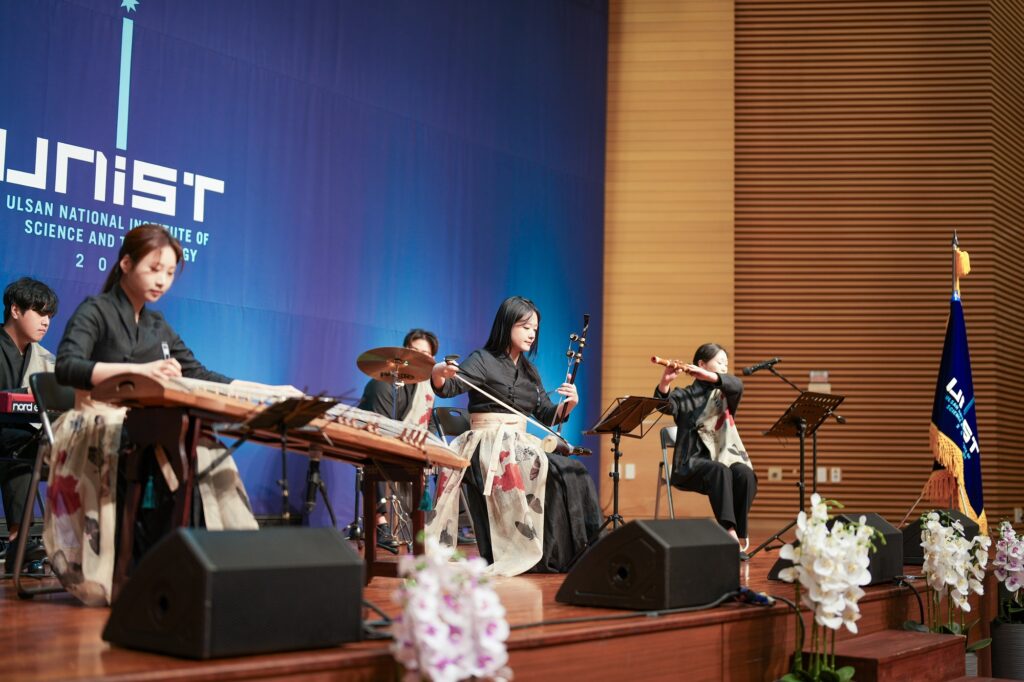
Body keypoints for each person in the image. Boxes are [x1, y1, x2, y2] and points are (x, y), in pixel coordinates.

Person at [45, 224, 270, 605]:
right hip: (96, 420)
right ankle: (131, 566)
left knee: (203, 442)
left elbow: (199, 374)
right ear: (126, 264)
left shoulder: (156, 324)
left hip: (141, 424)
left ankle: (212, 563)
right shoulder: (96, 310)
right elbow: (67, 367)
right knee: (139, 433)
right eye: (154, 269)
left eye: (169, 272)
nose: (162, 280)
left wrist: (267, 391)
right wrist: (138, 374)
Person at [428, 296, 601, 575]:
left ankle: (569, 554)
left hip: (518, 443)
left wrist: (570, 404)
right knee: (549, 469)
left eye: (535, 328)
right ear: (507, 325)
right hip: (487, 444)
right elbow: (448, 388)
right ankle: (536, 553)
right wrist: (438, 372)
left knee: (573, 469)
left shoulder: (530, 372)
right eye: (525, 326)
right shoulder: (482, 360)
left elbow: (546, 414)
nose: (532, 333)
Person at [655, 343, 757, 555]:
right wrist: (665, 382)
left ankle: (739, 532)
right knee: (719, 470)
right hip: (691, 463)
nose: (724, 367)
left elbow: (737, 385)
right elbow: (663, 405)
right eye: (719, 362)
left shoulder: (725, 393)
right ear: (701, 363)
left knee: (745, 474)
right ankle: (728, 533)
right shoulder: (685, 395)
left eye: (726, 364)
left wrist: (709, 376)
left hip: (722, 457)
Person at [356, 328, 438, 550]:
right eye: (413, 351)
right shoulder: (383, 383)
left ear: (432, 360)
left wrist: (433, 446)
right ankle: (380, 524)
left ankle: (432, 525)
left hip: (406, 441)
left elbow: (427, 421)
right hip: (373, 436)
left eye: (425, 353)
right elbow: (380, 430)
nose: (419, 357)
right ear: (402, 354)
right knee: (377, 456)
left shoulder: (426, 387)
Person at [0, 278, 58, 573]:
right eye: (39, 312)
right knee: (21, 443)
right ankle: (19, 541)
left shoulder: (46, 359)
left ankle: (23, 544)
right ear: (15, 310)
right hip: (7, 432)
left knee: (35, 442)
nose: (46, 322)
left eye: (49, 316)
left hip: (22, 433)